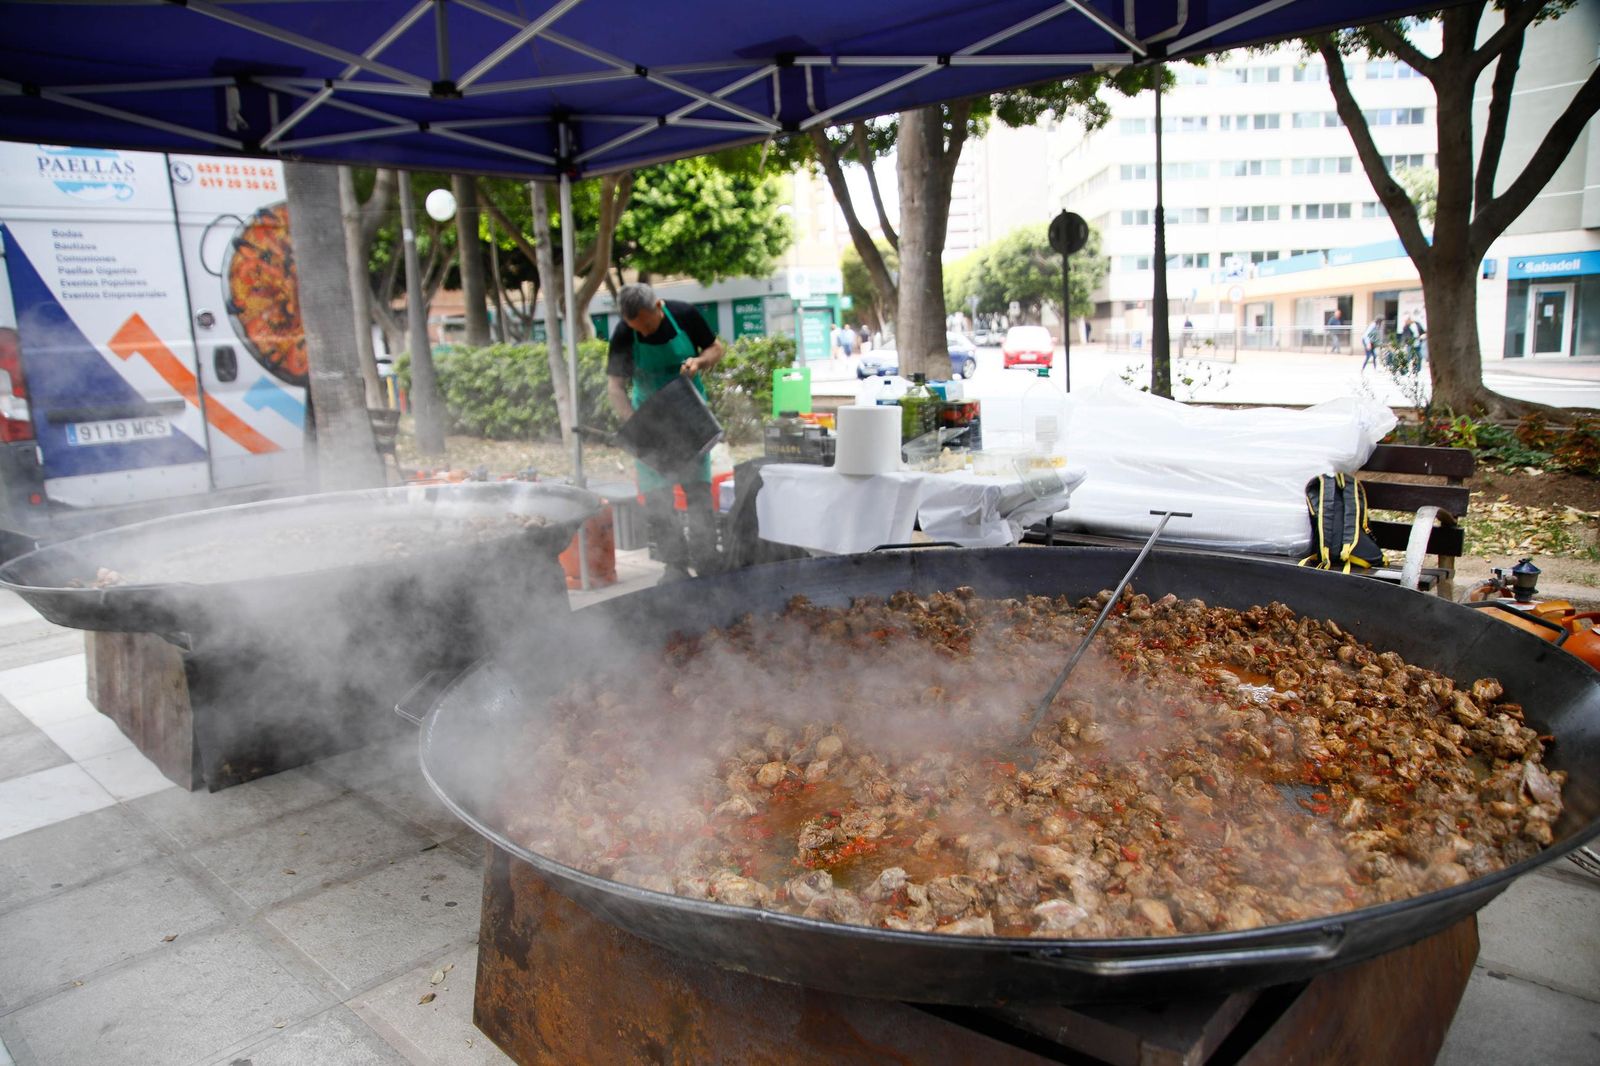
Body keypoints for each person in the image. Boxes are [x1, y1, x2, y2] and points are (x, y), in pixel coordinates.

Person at [607, 282, 725, 584]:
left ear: (658, 307)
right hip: (649, 422)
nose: (645, 333)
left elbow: (716, 348)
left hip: (689, 417)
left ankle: (708, 562)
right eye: (638, 328)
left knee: (697, 491)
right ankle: (674, 566)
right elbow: (616, 387)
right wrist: (634, 425)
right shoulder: (623, 333)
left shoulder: (684, 314)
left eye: (648, 324)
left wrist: (700, 361)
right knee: (658, 499)